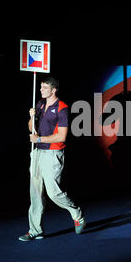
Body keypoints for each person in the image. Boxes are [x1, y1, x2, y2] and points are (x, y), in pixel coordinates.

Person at [19, 77, 85, 241]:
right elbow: (31, 129)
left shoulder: (62, 108)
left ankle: (76, 213)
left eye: (45, 87)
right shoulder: (40, 104)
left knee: (54, 193)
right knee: (35, 193)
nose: (41, 90)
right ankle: (35, 230)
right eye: (40, 87)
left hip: (52, 154)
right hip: (37, 153)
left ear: (54, 90)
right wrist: (31, 117)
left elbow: (61, 136)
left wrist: (39, 140)